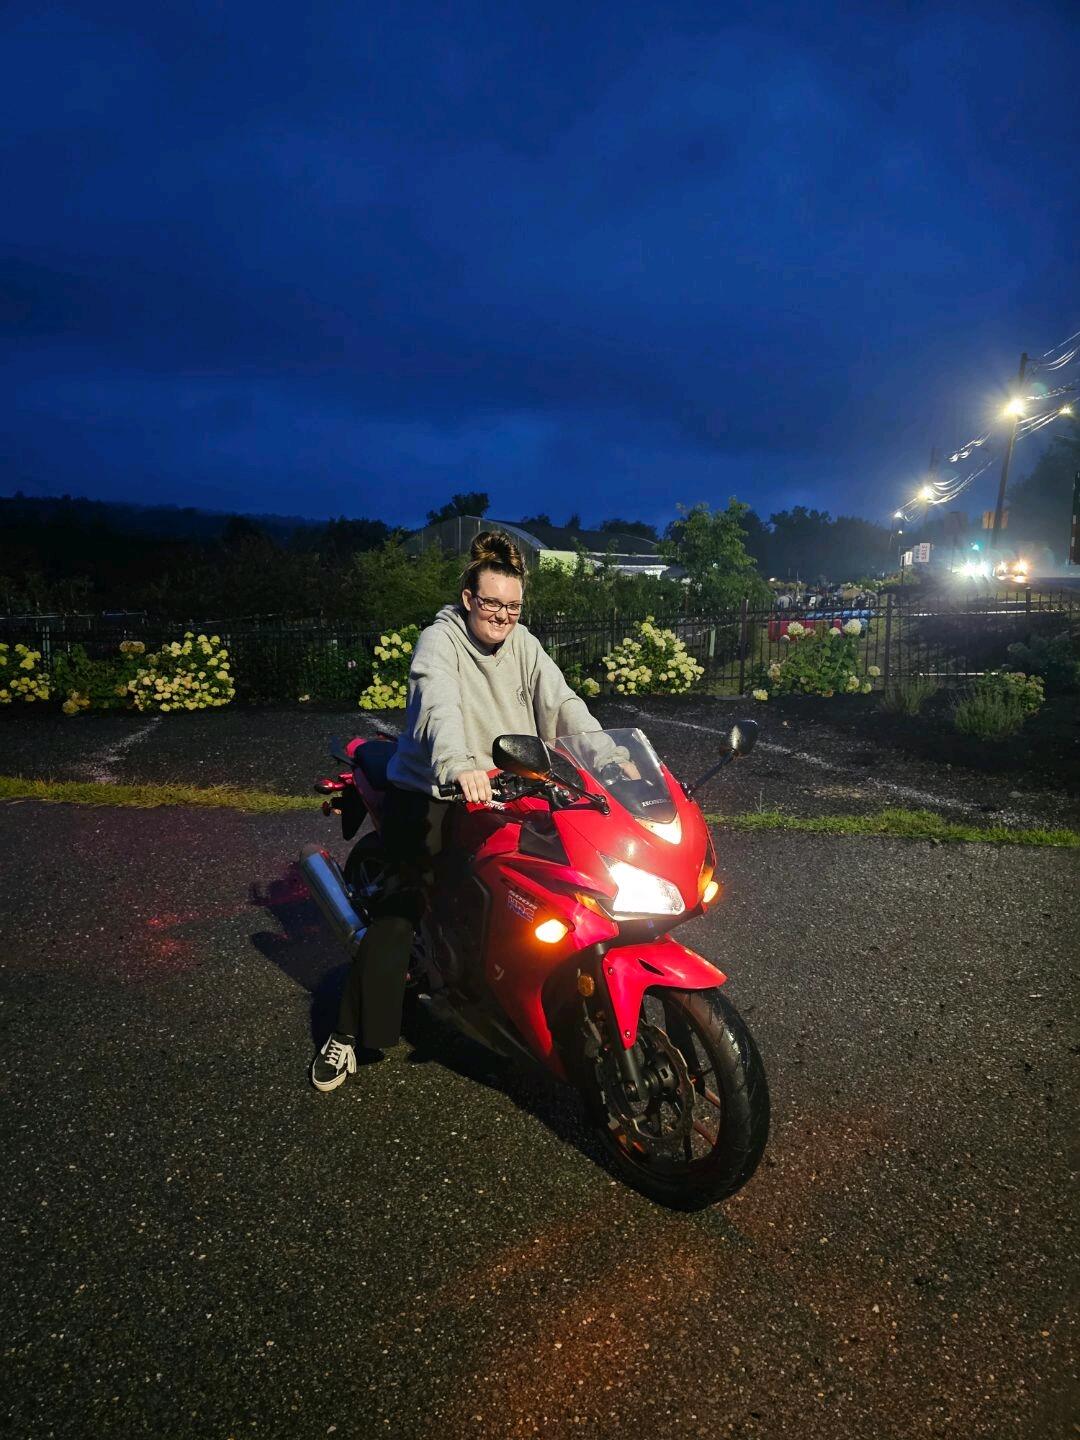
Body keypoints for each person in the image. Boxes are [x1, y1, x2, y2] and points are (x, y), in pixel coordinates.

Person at [310, 529, 606, 1091]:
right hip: (432, 789)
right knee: (405, 906)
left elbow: (563, 705)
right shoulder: (439, 641)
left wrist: (611, 760)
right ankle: (345, 1033)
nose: (502, 615)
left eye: (513, 606)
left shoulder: (524, 646)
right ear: (469, 599)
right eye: (492, 603)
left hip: (504, 786)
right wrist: (458, 763)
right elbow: (436, 705)